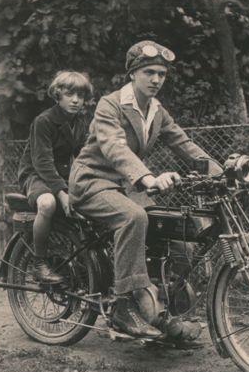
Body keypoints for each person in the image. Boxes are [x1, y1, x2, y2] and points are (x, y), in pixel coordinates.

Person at [68, 40, 223, 338]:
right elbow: (114, 147)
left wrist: (224, 173)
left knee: (175, 230)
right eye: (149, 72)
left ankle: (161, 308)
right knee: (134, 218)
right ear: (133, 74)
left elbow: (185, 145)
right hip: (92, 181)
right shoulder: (110, 104)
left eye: (161, 74)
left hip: (124, 186)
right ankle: (123, 307)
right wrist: (147, 178)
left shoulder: (157, 111)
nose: (155, 80)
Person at [17, 71, 93, 283]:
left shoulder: (80, 121)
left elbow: (84, 154)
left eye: (80, 95)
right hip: (36, 174)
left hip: (62, 174)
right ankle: (38, 264)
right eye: (70, 94)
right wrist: (61, 193)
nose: (76, 100)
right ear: (58, 94)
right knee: (48, 204)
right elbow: (42, 162)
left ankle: (84, 265)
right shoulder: (44, 121)